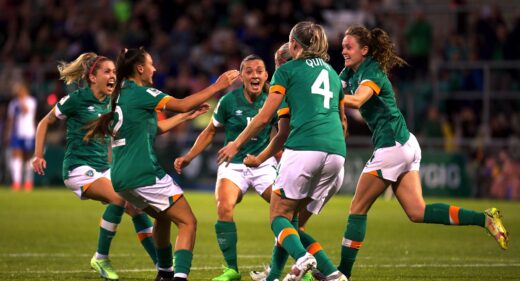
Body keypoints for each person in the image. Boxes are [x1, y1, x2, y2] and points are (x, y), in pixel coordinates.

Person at [336, 26, 509, 280]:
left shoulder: (371, 70)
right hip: (405, 143)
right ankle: (486, 219)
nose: (343, 50)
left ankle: (342, 274)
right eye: (342, 46)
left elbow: (357, 100)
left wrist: (325, 100)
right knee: (417, 211)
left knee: (357, 209)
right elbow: (336, 90)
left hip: (391, 146)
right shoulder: (348, 71)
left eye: (349, 46)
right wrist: (339, 114)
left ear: (365, 50)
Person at [32, 52, 193, 280]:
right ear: (92, 77)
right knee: (120, 198)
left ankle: (161, 266)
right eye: (107, 72)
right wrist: (39, 155)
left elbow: (151, 129)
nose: (112, 77)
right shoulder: (77, 99)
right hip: (78, 169)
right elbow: (44, 122)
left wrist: (184, 117)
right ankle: (101, 257)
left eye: (114, 72)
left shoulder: (114, 101)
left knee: (137, 209)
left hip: (104, 168)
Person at [83, 47, 239, 281]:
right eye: (151, 64)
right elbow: (183, 102)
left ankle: (164, 274)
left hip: (121, 179)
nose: (154, 68)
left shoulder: (120, 95)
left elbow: (155, 129)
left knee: (163, 217)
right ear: (139, 68)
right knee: (188, 222)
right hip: (144, 173)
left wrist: (187, 117)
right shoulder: (143, 93)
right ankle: (178, 277)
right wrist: (218, 85)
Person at [218, 22, 348, 281]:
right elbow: (343, 121)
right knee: (291, 222)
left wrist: (236, 143)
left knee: (278, 217)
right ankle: (332, 275)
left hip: (304, 149)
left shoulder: (287, 73)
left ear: (295, 46)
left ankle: (303, 259)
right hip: (337, 154)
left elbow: (266, 119)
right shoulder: (333, 74)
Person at [174, 54, 276, 281]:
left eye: (259, 70)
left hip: (263, 163)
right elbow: (210, 131)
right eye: (249, 71)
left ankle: (298, 263)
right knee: (224, 206)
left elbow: (284, 131)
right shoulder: (229, 101)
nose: (255, 75)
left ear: (266, 75)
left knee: (284, 209)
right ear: (242, 76)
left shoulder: (274, 99)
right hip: (234, 164)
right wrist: (189, 156)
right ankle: (231, 269)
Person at [5, 81, 37, 191]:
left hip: (28, 133)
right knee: (16, 157)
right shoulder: (13, 103)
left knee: (27, 158)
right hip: (17, 134)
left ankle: (28, 182)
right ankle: (17, 182)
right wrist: (8, 134)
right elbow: (10, 120)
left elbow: (26, 110)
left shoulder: (31, 101)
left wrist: (21, 100)